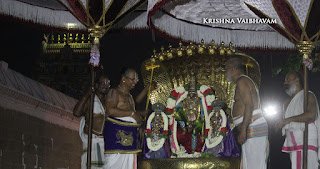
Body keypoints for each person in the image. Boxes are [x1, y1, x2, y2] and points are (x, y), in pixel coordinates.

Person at [104, 67, 153, 169]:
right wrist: (132, 114)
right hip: (117, 140)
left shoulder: (130, 97)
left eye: (137, 79)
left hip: (130, 140)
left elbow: (132, 111)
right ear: (124, 79)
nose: (135, 81)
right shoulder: (114, 92)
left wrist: (138, 115)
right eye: (133, 79)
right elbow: (109, 111)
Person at [225, 57, 269, 169]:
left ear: (233, 69)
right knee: (250, 165)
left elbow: (249, 105)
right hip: (251, 125)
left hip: (252, 126)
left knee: (254, 165)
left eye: (226, 69)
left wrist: (243, 130)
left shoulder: (242, 81)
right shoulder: (244, 81)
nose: (225, 73)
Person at [275, 71, 319, 169]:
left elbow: (311, 115)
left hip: (306, 137)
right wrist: (280, 125)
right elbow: (285, 122)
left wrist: (289, 120)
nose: (285, 83)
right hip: (292, 139)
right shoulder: (286, 102)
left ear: (297, 81)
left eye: (288, 80)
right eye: (285, 81)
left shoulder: (308, 95)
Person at [73, 74, 110, 169]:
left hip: (104, 142)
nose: (105, 86)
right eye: (102, 84)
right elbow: (77, 113)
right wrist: (87, 94)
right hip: (92, 141)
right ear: (96, 85)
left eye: (108, 84)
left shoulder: (109, 101)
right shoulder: (90, 100)